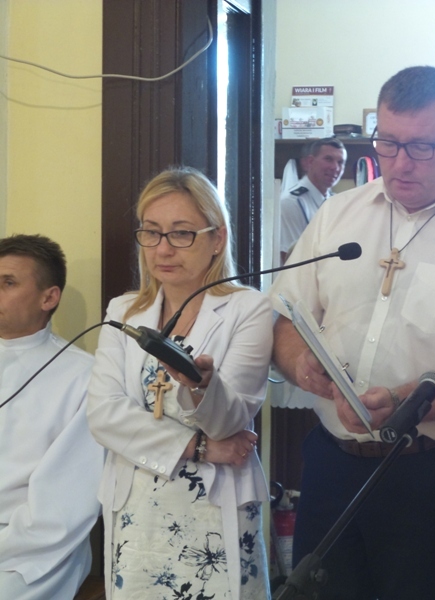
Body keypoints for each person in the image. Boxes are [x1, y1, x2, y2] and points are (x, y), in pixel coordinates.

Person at [268, 65, 435, 600]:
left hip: (427, 473)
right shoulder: (338, 215)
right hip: (331, 462)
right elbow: (285, 320)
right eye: (387, 143)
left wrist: (397, 403)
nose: (399, 163)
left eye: (421, 147)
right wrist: (300, 363)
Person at [86, 167, 273, 600]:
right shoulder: (124, 311)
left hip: (213, 506)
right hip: (137, 508)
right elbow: (104, 414)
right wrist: (199, 447)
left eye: (182, 233)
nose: (163, 248)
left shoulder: (248, 309)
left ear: (217, 238)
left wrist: (202, 387)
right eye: (151, 232)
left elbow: (229, 423)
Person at [0, 234, 103, 600]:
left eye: (8, 282)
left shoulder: (84, 377)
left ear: (49, 298)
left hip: (33, 550)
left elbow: (64, 506)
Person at [280, 137, 347, 263]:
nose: (335, 167)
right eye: (328, 159)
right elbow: (288, 257)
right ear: (309, 162)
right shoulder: (291, 203)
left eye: (340, 162)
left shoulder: (336, 202)